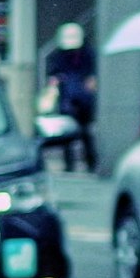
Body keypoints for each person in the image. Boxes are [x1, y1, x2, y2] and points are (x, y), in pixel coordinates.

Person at [44, 23, 100, 173]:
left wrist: (91, 81)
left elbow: (92, 73)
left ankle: (91, 163)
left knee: (85, 132)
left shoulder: (88, 53)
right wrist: (55, 80)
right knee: (67, 133)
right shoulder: (60, 55)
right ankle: (69, 164)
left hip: (83, 98)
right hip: (67, 97)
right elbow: (53, 73)